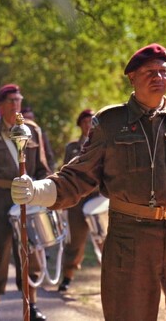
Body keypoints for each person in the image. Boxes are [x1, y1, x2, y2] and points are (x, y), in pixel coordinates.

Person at [11, 43, 166, 321]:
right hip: (131, 238)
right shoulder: (110, 123)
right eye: (149, 72)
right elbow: (79, 175)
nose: (158, 77)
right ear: (133, 78)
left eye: (163, 71)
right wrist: (37, 191)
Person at [0, 84, 52, 321]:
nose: (16, 105)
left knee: (30, 253)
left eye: (18, 100)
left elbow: (42, 168)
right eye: (11, 101)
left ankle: (32, 304)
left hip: (27, 199)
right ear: (0, 106)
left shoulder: (33, 131)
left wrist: (45, 196)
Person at [57, 109, 99, 292]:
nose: (88, 125)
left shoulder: (102, 144)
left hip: (98, 199)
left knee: (105, 240)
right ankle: (67, 277)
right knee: (74, 242)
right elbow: (66, 174)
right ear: (80, 125)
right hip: (76, 200)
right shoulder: (72, 147)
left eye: (91, 121)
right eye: (85, 122)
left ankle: (111, 279)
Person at [21, 106, 56, 172]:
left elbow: (49, 156)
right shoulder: (16, 134)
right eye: (26, 118)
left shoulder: (40, 134)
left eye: (30, 118)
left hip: (37, 176)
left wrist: (49, 173)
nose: (29, 121)